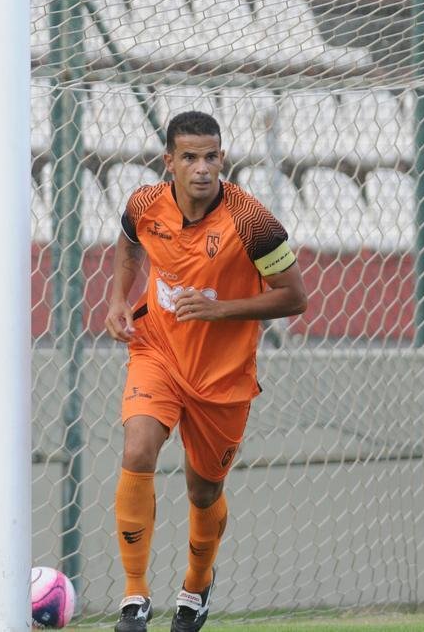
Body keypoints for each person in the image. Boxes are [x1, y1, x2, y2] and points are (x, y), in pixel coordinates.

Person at [105, 110, 308, 632]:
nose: (202, 168)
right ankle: (134, 598)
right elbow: (128, 242)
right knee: (138, 449)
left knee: (203, 492)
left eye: (211, 156)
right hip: (158, 352)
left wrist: (220, 309)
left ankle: (195, 588)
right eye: (190, 157)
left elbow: (295, 298)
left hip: (223, 378)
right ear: (169, 161)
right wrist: (118, 299)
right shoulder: (145, 204)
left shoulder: (253, 221)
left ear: (223, 158)